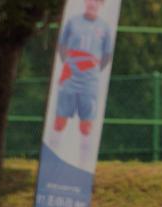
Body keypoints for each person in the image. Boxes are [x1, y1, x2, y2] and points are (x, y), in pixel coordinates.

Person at [48, 0, 114, 167]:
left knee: (86, 125)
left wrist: (90, 70)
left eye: (97, 1)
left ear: (101, 4)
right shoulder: (73, 22)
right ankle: (52, 162)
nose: (93, 3)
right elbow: (62, 46)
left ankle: (83, 165)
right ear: (85, 2)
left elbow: (106, 56)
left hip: (89, 81)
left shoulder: (105, 28)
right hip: (70, 77)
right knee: (59, 121)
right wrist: (71, 66)